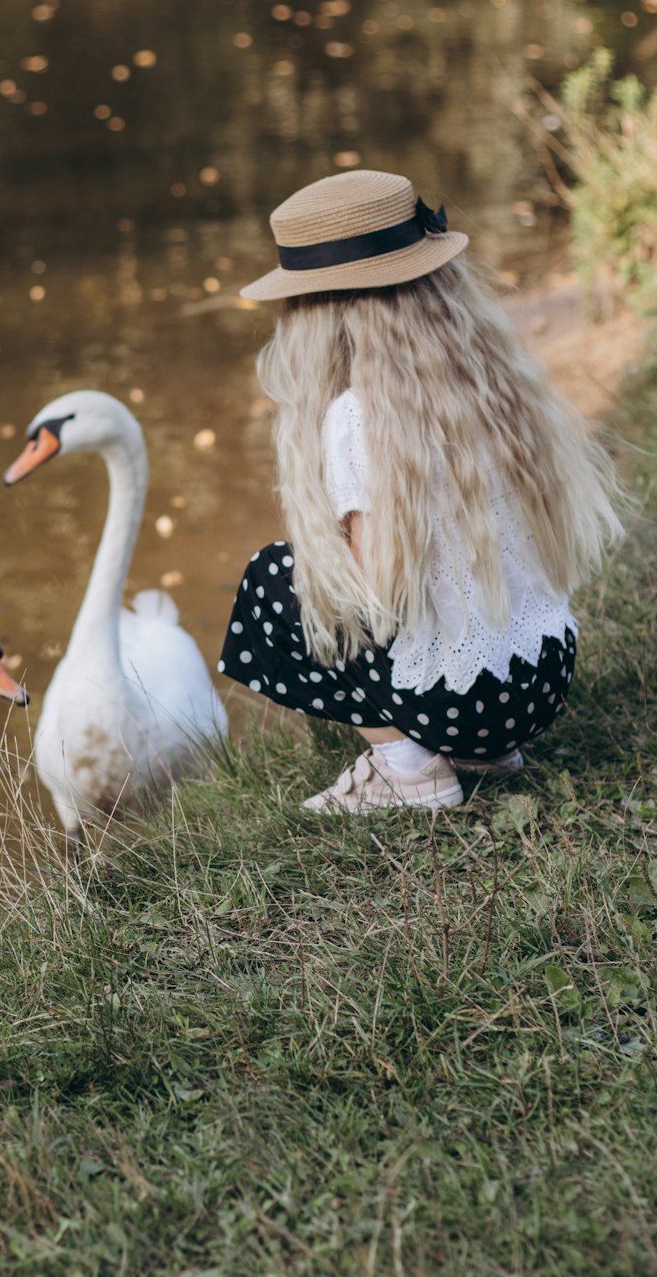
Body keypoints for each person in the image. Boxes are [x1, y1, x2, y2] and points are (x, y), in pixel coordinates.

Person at [218, 169, 623, 812]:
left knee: (277, 580)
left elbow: (373, 593)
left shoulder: (357, 416)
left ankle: (409, 771)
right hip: (544, 678)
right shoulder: (490, 376)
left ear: (316, 310)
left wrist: (325, 541)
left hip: (461, 703)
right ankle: (485, 755)